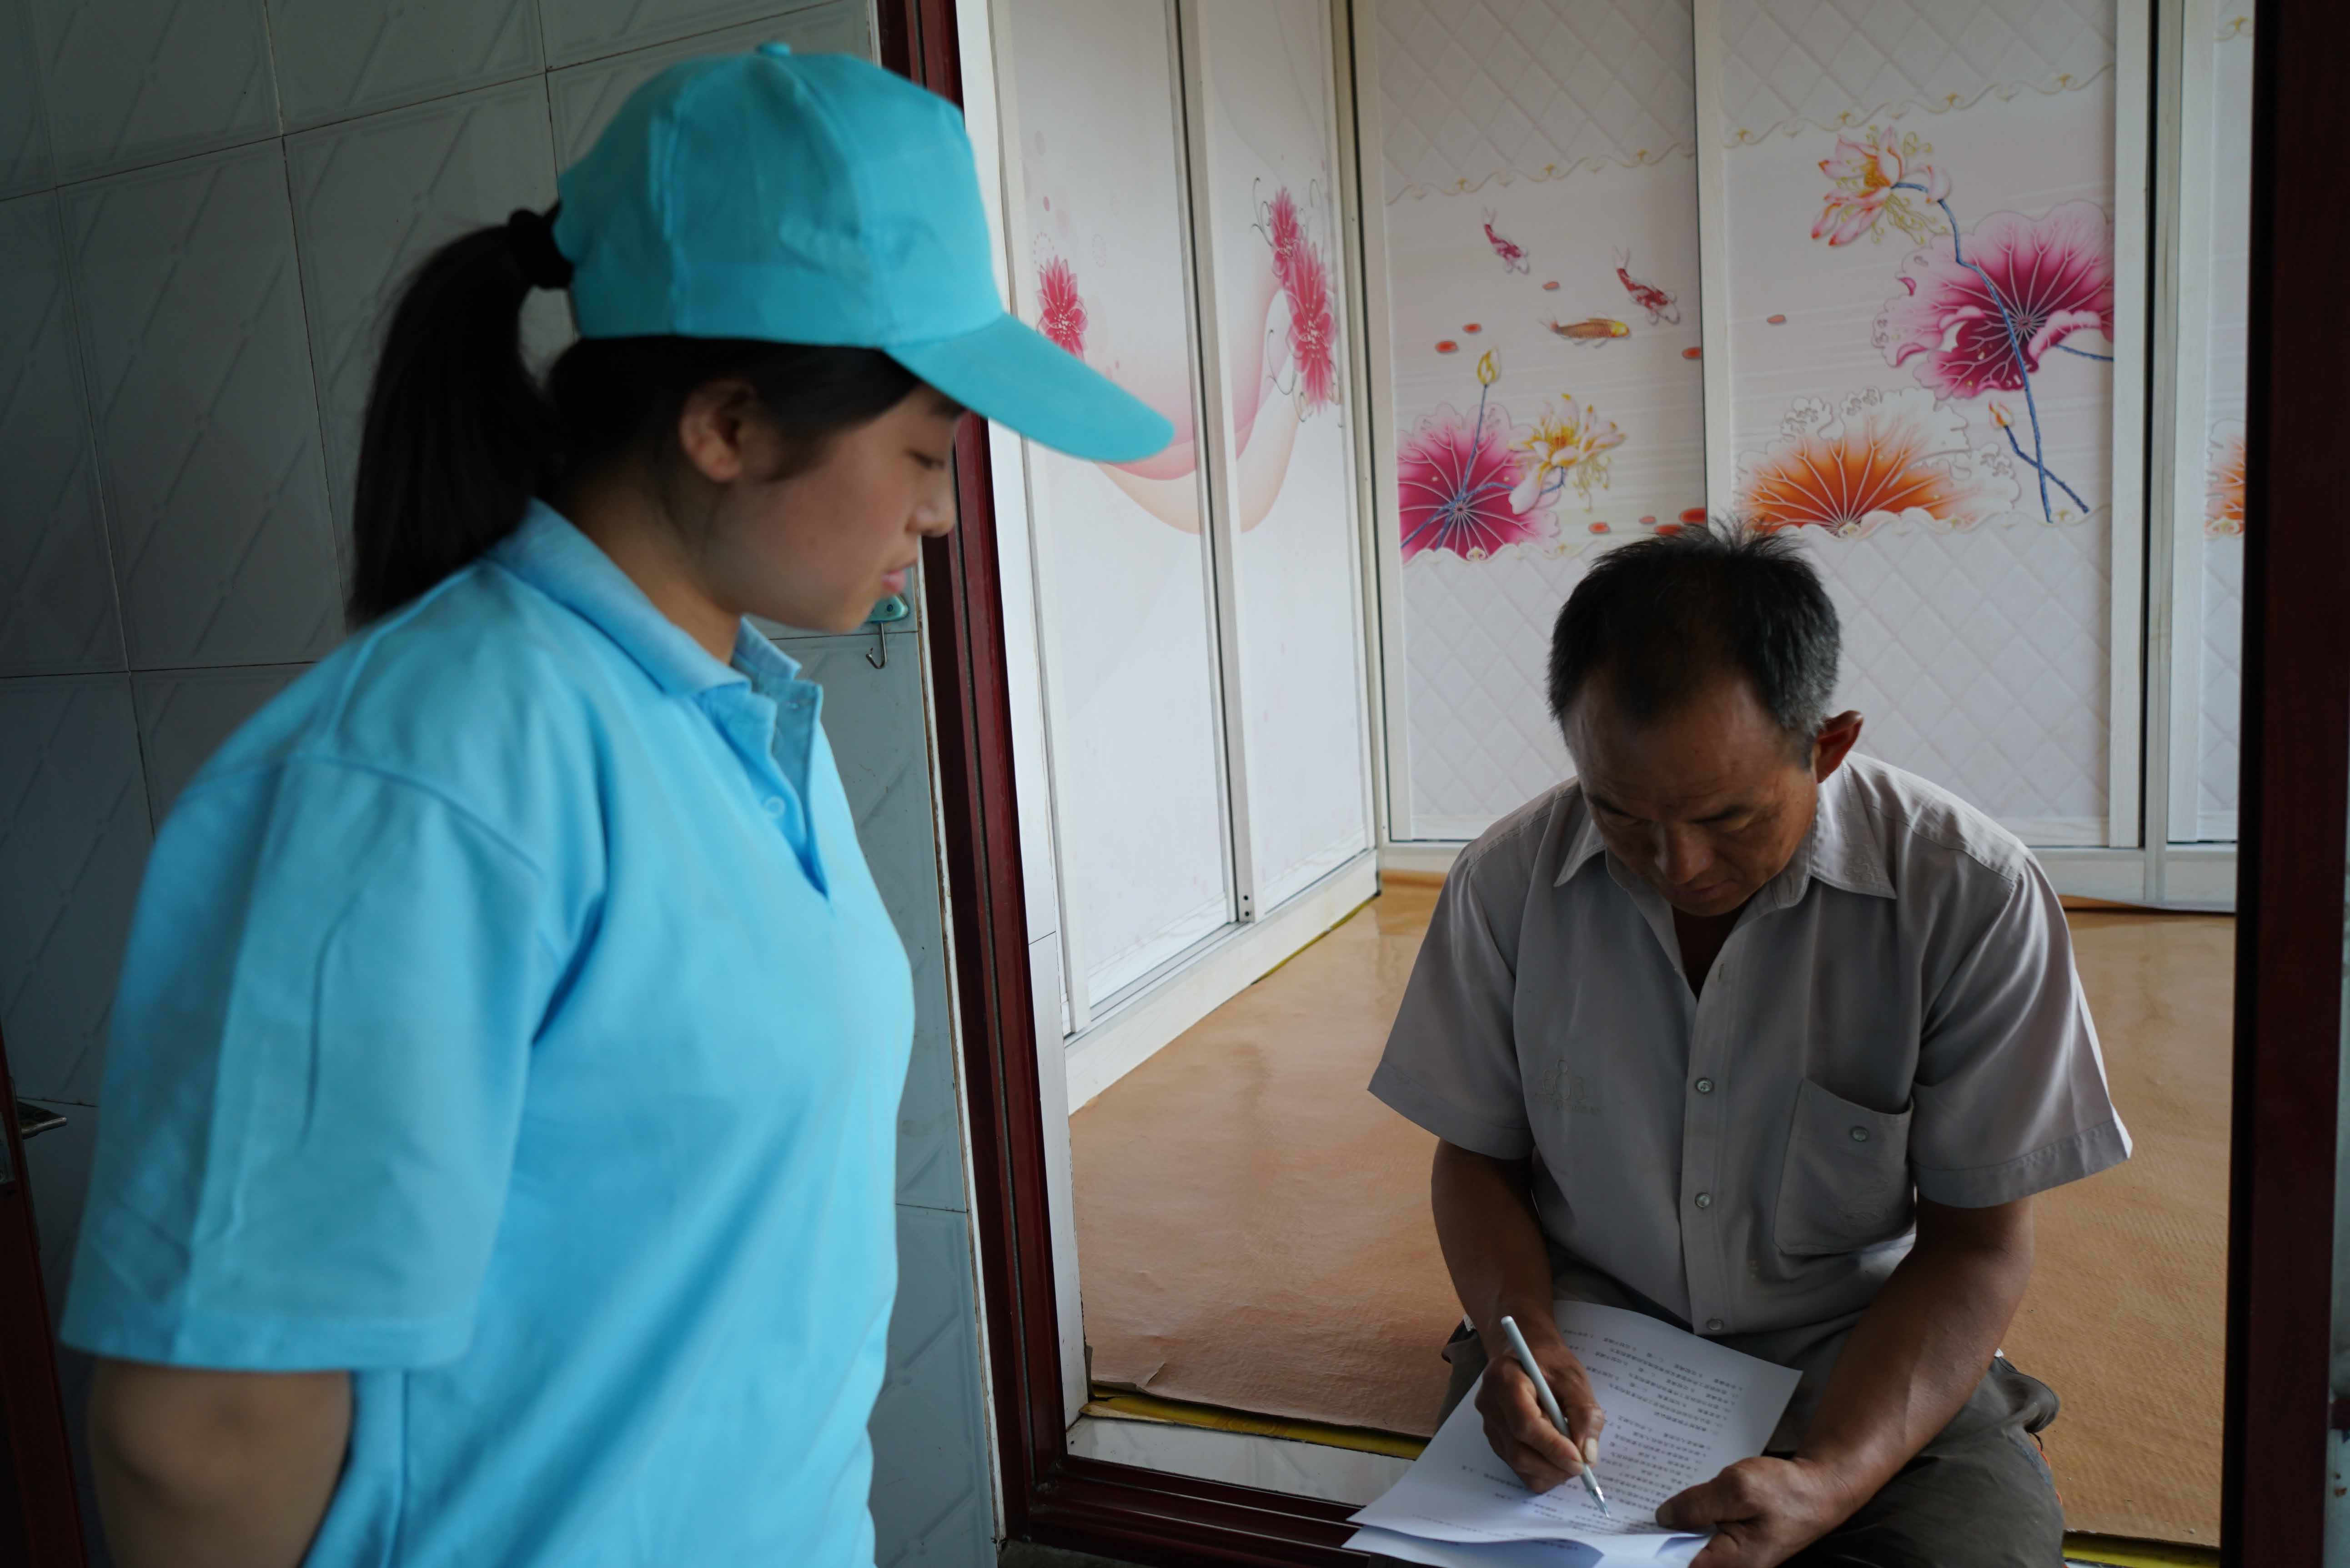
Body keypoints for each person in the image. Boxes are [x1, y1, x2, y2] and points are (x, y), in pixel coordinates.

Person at [59, 45, 1167, 1568]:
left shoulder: (745, 725)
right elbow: (200, 1438)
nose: (938, 509)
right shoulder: (422, 780)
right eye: (923, 451)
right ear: (726, 425)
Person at [1372, 524, 2130, 1567]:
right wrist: (1521, 1333)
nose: (1675, 863)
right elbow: (1475, 1158)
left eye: (1726, 817)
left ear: (1828, 744)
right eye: (1618, 812)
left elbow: (1977, 1244)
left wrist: (1834, 1476)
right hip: (1591, 1348)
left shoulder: (1969, 894)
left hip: (1860, 1347)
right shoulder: (1505, 884)